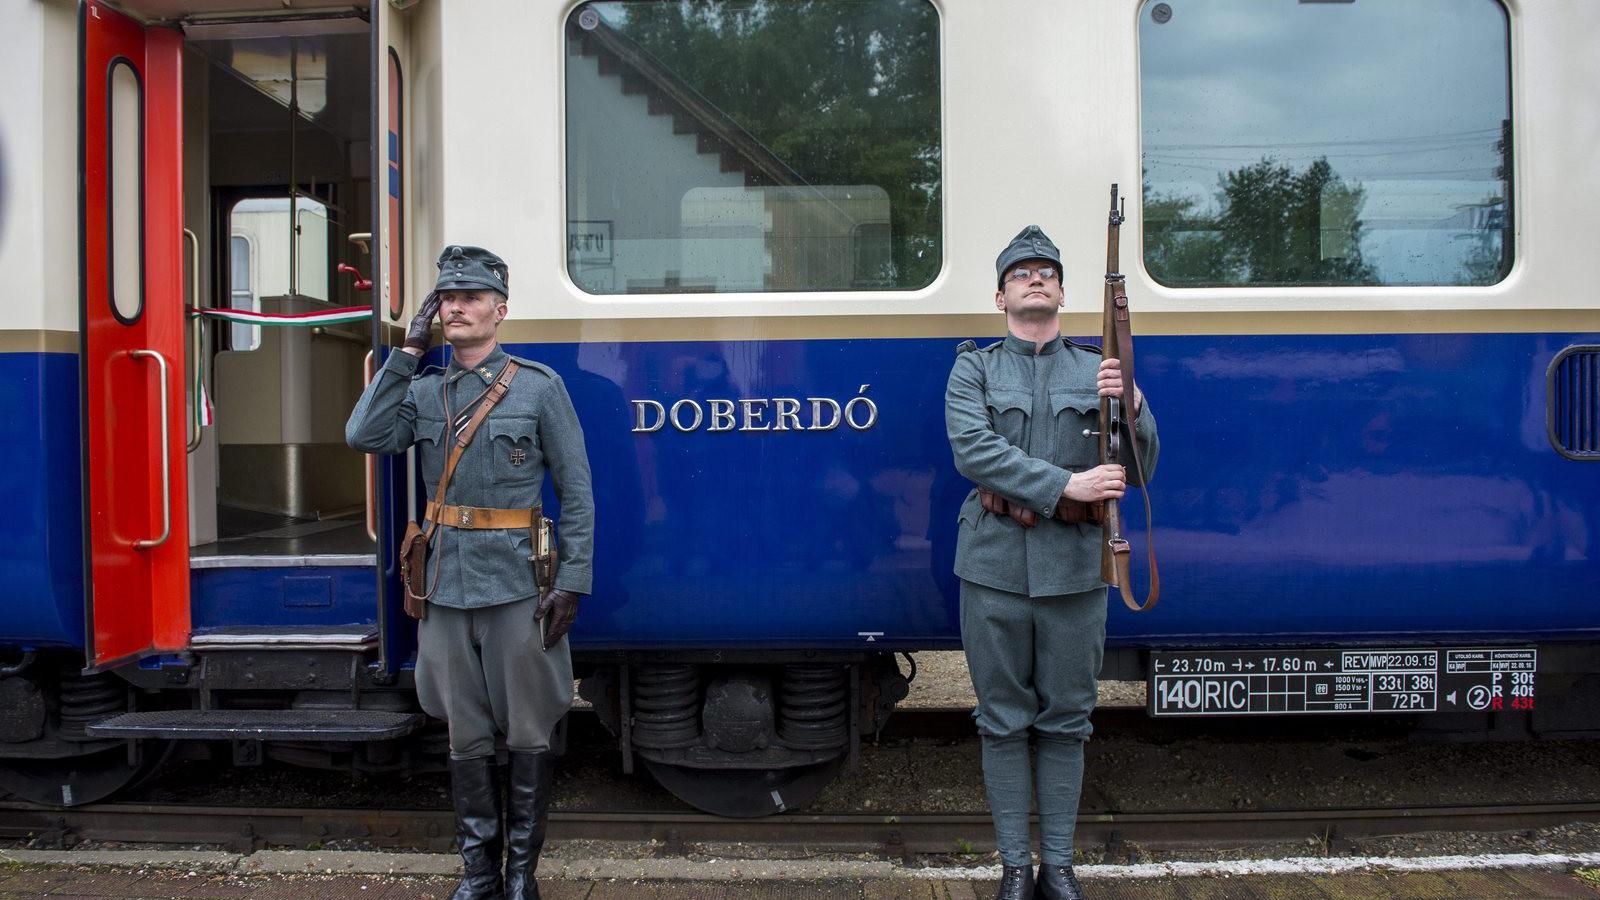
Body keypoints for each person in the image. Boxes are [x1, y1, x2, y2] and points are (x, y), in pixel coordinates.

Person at [347, 245, 594, 900]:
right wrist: (406, 351)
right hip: (445, 588)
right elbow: (363, 434)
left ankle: (520, 877)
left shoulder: (539, 387)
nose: (456, 307)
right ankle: (479, 874)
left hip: (518, 585)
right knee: (466, 733)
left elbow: (577, 490)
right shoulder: (425, 389)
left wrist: (573, 579)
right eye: (447, 299)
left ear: (500, 310)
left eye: (471, 298)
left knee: (530, 729)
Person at [945, 226, 1159, 900]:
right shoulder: (973, 369)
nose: (1035, 279)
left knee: (1068, 719)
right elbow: (973, 452)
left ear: (1063, 291)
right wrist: (1066, 485)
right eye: (1021, 273)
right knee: (1001, 718)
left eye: (1047, 272)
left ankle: (1058, 868)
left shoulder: (1096, 368)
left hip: (1074, 568)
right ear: (1002, 294)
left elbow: (1141, 469)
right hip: (993, 568)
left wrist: (1131, 400)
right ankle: (1014, 867)